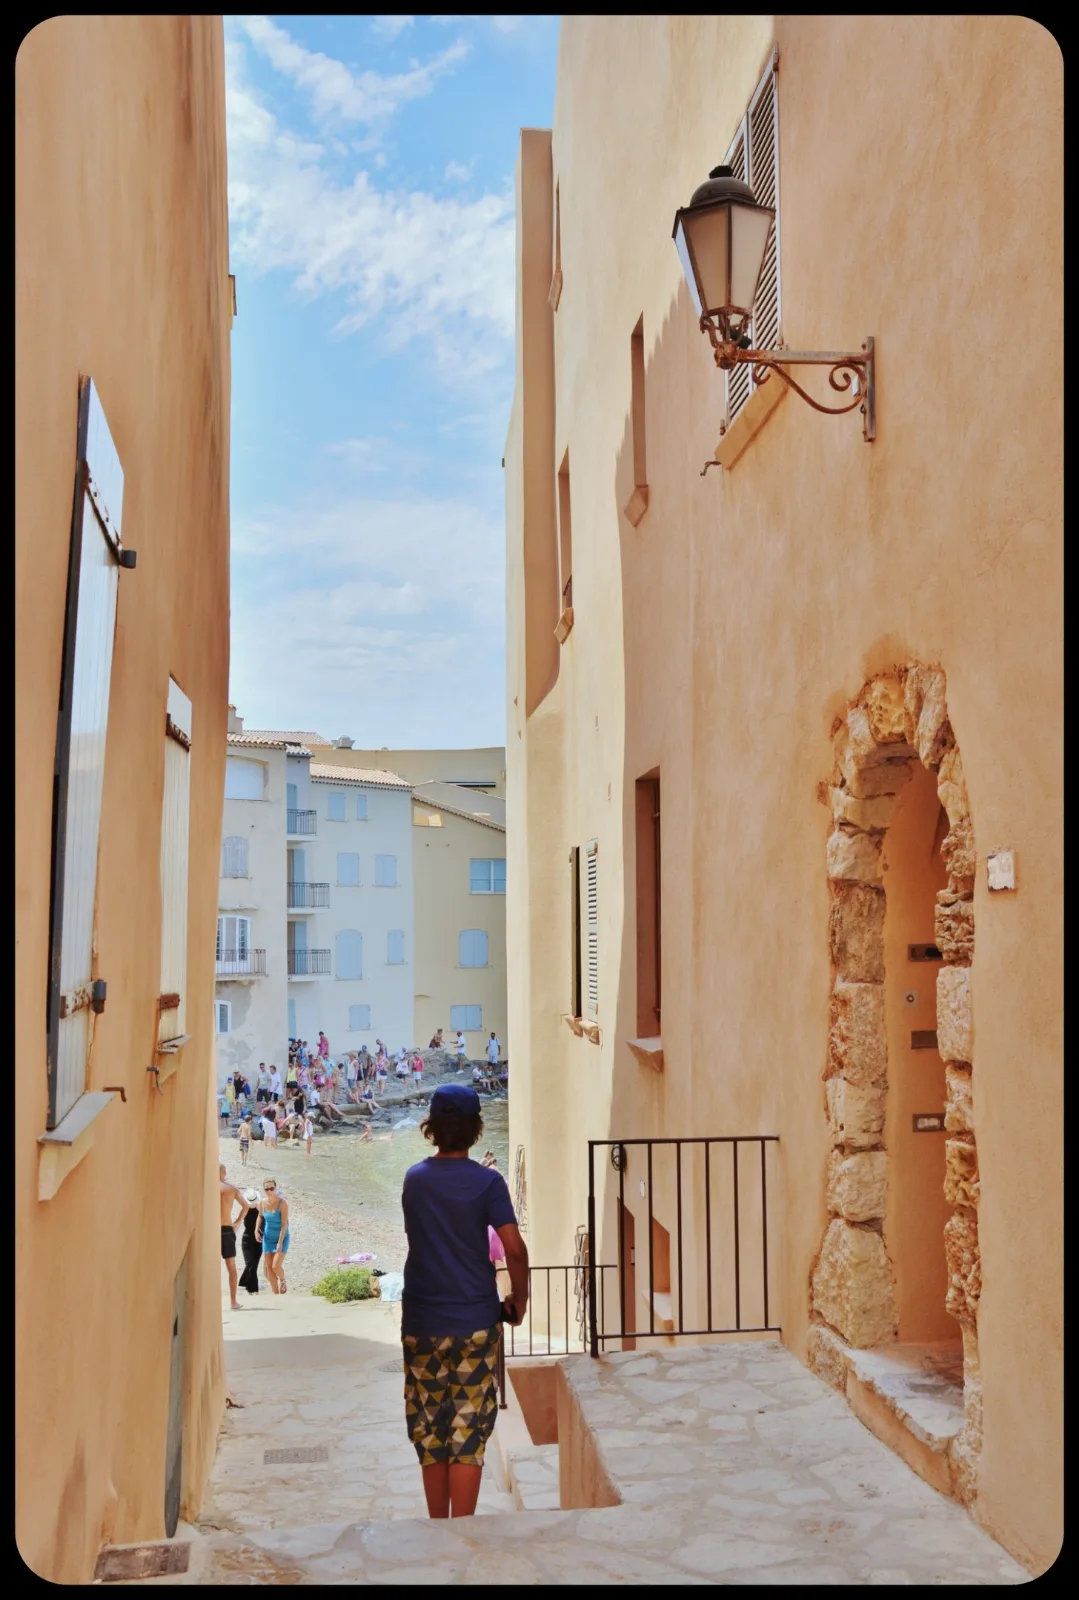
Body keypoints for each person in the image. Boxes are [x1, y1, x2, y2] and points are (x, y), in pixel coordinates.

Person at [400, 1083, 528, 1519]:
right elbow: (514, 1249)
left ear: (432, 1128)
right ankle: (462, 1531)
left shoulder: (415, 1179)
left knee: (430, 1430)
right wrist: (519, 1300)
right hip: (475, 1321)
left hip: (422, 1321)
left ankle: (439, 1527)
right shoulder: (488, 1182)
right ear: (476, 1130)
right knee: (467, 1433)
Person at [220, 1165, 252, 1311]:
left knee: (208, 1266)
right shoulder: (231, 1189)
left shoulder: (207, 1187)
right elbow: (246, 1206)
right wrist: (238, 1222)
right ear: (224, 1172)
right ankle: (233, 1302)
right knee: (231, 1267)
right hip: (227, 1229)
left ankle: (208, 1302)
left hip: (211, 1230)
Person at [256, 1178, 290, 1294]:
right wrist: (256, 1230)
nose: (269, 1191)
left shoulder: (282, 1203)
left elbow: (284, 1224)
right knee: (269, 1268)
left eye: (272, 1188)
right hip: (268, 1238)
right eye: (267, 1189)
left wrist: (280, 1242)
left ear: (276, 1188)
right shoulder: (262, 1202)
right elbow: (260, 1216)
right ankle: (276, 1294)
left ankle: (282, 1280)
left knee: (276, 1266)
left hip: (282, 1237)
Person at [238, 1188, 262, 1294]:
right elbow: (239, 1220)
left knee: (254, 1265)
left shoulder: (261, 1208)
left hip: (259, 1240)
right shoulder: (245, 1208)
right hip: (247, 1239)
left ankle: (244, 1282)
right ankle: (253, 1290)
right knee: (250, 1263)